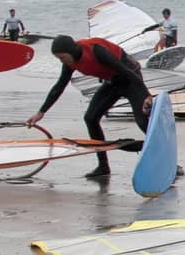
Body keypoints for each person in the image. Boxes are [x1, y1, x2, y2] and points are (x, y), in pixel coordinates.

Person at [28, 34, 166, 180]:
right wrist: (41, 112)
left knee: (143, 122)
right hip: (112, 82)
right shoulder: (70, 62)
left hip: (130, 79)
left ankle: (168, 162)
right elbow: (59, 87)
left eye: (62, 57)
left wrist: (146, 95)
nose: (62, 61)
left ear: (70, 51)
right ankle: (103, 166)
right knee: (90, 118)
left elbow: (125, 70)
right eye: (59, 59)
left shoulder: (96, 50)